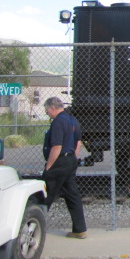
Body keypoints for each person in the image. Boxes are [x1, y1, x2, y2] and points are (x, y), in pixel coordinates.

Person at [42, 97, 87, 239]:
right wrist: (71, 158)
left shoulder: (58, 122)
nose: (47, 113)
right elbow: (78, 143)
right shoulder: (73, 120)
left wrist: (49, 167)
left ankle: (34, 225)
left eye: (47, 110)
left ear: (53, 108)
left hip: (59, 161)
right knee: (72, 195)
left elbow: (57, 146)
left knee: (44, 193)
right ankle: (80, 230)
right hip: (70, 160)